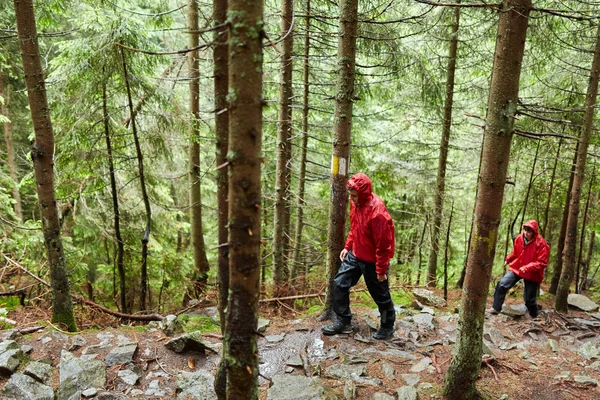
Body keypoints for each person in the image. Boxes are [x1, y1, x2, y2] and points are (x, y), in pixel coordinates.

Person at [322, 173, 396, 340]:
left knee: (380, 295)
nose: (351, 198)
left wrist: (381, 269)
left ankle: (387, 326)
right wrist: (348, 246)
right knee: (339, 283)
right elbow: (355, 226)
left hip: (373, 260)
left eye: (354, 195)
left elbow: (384, 245)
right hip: (356, 253)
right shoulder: (355, 203)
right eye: (350, 195)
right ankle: (343, 321)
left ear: (363, 193)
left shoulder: (378, 213)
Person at [490, 220, 549, 318]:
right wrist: (508, 259)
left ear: (534, 232)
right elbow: (515, 253)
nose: (526, 233)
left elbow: (542, 262)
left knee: (529, 300)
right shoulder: (519, 238)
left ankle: (534, 315)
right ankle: (496, 308)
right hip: (517, 268)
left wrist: (527, 267)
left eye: (529, 231)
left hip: (532, 274)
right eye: (525, 230)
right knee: (502, 284)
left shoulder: (541, 244)